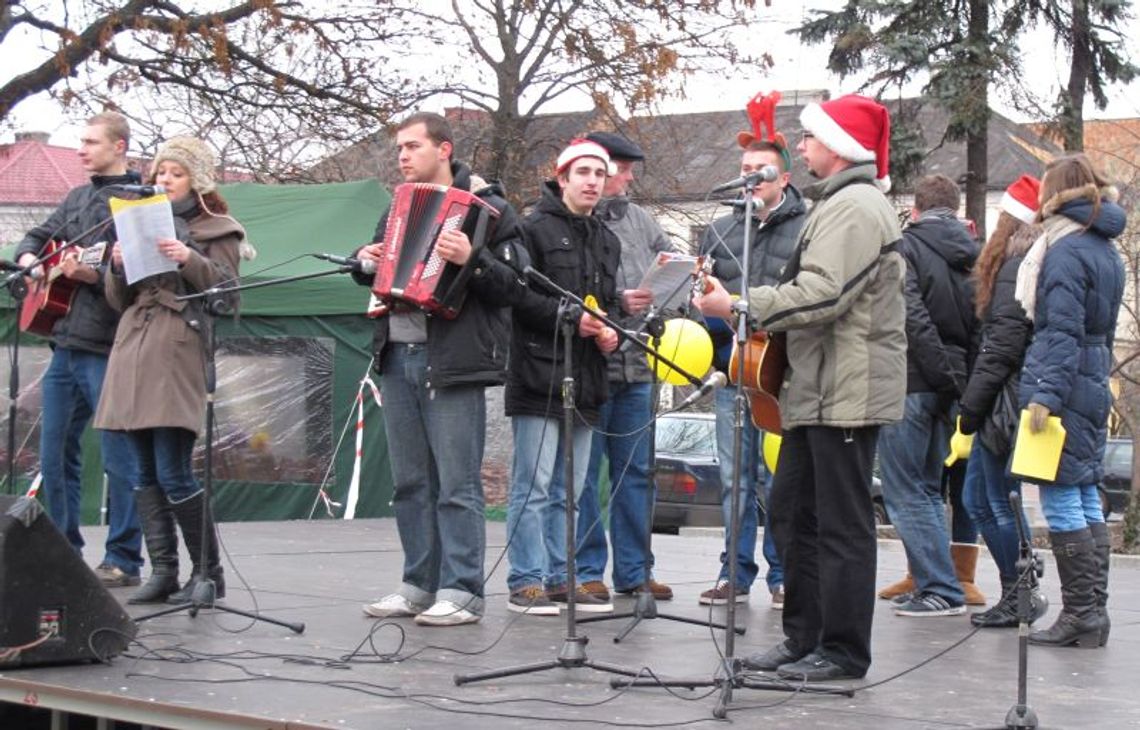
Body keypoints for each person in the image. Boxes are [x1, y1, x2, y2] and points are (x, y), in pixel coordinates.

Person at [696, 94, 905, 681]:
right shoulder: (836, 204)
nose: (803, 146)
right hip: (817, 389)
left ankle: (841, 651)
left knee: (839, 524)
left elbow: (823, 292)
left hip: (847, 389)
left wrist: (738, 303)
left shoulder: (856, 206)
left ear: (839, 147)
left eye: (811, 138)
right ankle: (804, 639)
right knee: (792, 511)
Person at [353, 112, 524, 626]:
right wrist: (362, 260)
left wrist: (473, 257)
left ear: (443, 149)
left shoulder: (492, 210)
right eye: (399, 149)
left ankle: (463, 590)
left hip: (452, 360)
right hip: (397, 353)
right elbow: (382, 273)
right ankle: (418, 584)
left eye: (411, 147)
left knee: (457, 482)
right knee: (410, 482)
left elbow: (516, 287)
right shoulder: (396, 208)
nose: (402, 157)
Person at [93, 136, 244, 605]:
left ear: (195, 180)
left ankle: (208, 572)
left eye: (175, 174)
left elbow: (228, 295)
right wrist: (117, 268)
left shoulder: (218, 229)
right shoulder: (138, 221)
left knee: (173, 468)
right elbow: (118, 301)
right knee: (141, 470)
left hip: (178, 345)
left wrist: (188, 257)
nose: (164, 181)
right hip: (134, 343)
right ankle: (163, 570)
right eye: (160, 173)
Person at [14, 111, 143, 588]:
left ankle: (124, 557)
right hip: (64, 342)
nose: (83, 149)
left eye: (92, 142)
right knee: (53, 456)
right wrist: (31, 260)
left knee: (118, 455)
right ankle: (63, 549)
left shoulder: (140, 201)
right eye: (81, 141)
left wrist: (98, 273)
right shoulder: (75, 197)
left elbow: (143, 273)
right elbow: (36, 238)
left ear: (120, 146)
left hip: (108, 344)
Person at [505, 139, 621, 615]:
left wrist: (612, 330)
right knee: (533, 487)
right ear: (562, 177)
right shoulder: (531, 229)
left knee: (570, 491)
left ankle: (559, 575)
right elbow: (517, 298)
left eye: (600, 173)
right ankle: (525, 579)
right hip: (538, 373)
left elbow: (609, 303)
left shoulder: (608, 239)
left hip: (588, 377)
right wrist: (570, 319)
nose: (593, 181)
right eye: (584, 173)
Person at [1017, 153, 1124, 649]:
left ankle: (1080, 614)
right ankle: (1092, 613)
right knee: (1083, 493)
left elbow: (1060, 330)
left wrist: (1044, 396)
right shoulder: (1104, 247)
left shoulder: (1063, 248)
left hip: (1064, 383)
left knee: (1061, 495)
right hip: (1093, 378)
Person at [696, 135, 804, 608]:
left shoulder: (808, 227)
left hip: (783, 372)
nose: (750, 177)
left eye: (760, 169)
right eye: (745, 168)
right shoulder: (719, 231)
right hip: (733, 368)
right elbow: (701, 302)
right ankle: (734, 573)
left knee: (778, 477)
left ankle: (783, 574)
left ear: (784, 177)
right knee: (733, 478)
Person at [570, 130, 675, 603]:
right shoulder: (571, 221)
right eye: (624, 169)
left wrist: (672, 289)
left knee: (637, 474)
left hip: (639, 367)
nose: (629, 178)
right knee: (587, 476)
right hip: (591, 367)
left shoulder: (641, 220)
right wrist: (617, 306)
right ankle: (588, 569)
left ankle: (634, 570)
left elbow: (671, 266)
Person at [875, 174, 981, 618]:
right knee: (928, 490)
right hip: (952, 382)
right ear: (955, 211)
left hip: (913, 379)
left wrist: (937, 375)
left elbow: (911, 319)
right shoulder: (974, 254)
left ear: (915, 210)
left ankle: (939, 588)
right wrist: (960, 384)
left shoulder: (907, 247)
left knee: (906, 490)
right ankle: (936, 583)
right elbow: (980, 325)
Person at [958, 174, 1049, 628]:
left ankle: (1021, 591)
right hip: (1008, 399)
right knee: (989, 499)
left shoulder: (1015, 265)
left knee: (990, 500)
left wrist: (970, 408)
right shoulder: (1026, 261)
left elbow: (1003, 346)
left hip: (1003, 405)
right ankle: (1020, 588)